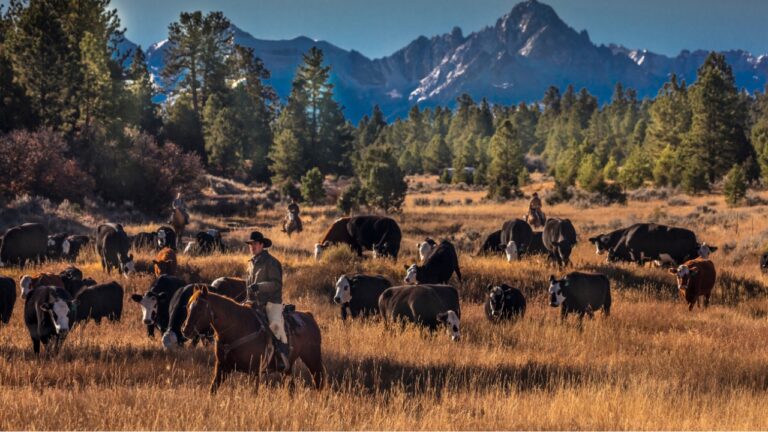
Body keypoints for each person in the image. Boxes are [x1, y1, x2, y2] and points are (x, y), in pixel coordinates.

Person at [244, 231, 290, 371]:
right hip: (253, 303)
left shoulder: (272, 262)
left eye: (255, 244)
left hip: (271, 303)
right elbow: (248, 285)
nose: (252, 247)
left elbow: (276, 284)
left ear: (262, 245)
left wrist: (259, 286)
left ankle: (281, 357)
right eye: (250, 244)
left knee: (276, 326)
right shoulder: (251, 263)